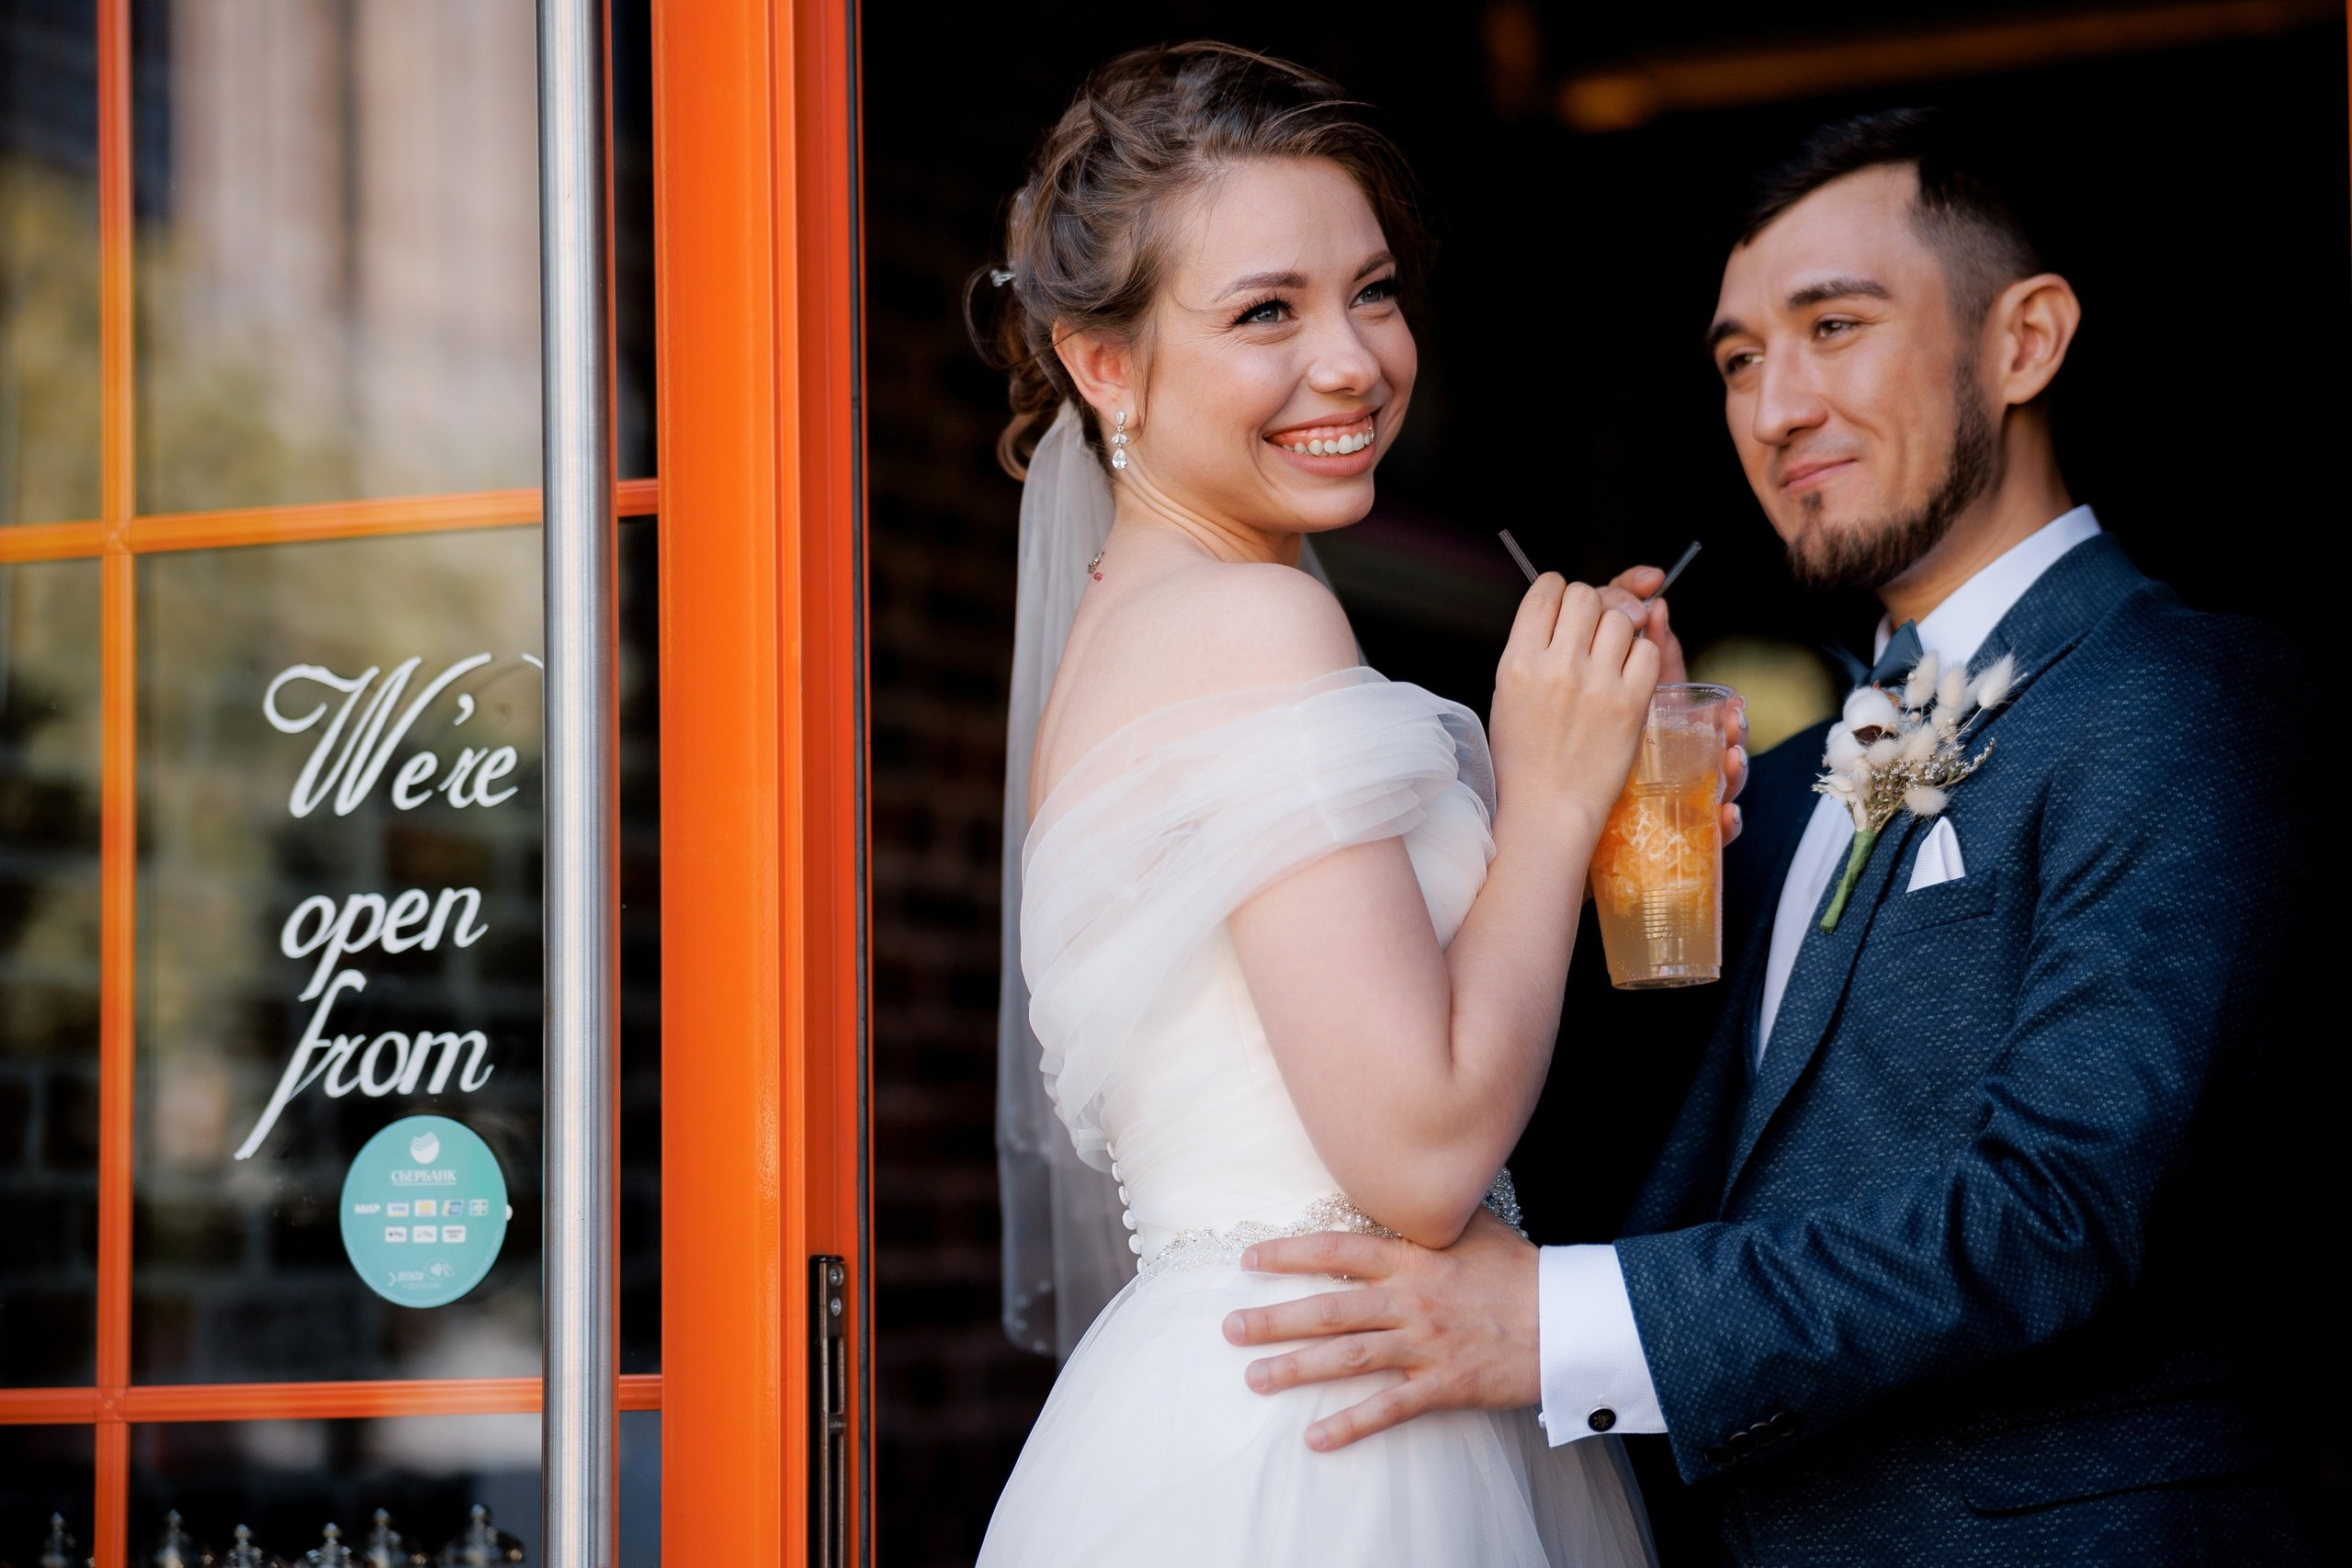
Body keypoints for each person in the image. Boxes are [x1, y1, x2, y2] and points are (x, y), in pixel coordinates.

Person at [1225, 107, 2312, 1563]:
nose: (1774, 407)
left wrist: (1558, 1323)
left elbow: (2059, 1212)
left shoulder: (2175, 696)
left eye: (1835, 328)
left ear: (2027, 341)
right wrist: (1608, 832)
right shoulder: (1792, 773)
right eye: (1740, 359)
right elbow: (1666, 1156)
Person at [977, 42, 1741, 1568]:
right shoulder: (1248, 629)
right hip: (1328, 1434)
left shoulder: (1158, 619)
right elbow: (1418, 1150)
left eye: (1372, 291)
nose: (1354, 361)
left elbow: (1357, 1023)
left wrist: (1591, 803)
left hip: (1275, 1386)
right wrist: (1543, 791)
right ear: (1104, 365)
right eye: (1268, 311)